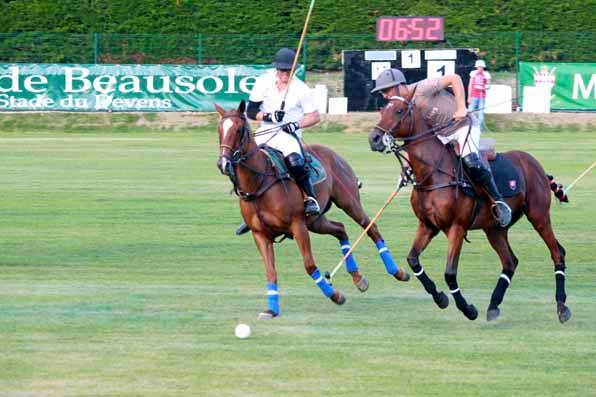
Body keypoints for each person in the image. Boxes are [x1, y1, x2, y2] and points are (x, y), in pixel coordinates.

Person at [370, 68, 511, 227]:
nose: (384, 95)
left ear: (398, 86)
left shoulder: (422, 88)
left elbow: (455, 78)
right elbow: (413, 143)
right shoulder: (404, 108)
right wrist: (406, 167)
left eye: (386, 90)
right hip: (442, 135)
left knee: (471, 161)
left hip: (463, 126)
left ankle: (498, 201)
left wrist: (461, 108)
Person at [235, 48, 322, 236]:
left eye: (288, 71)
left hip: (288, 136)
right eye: (281, 70)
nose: (284, 74)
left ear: (294, 70)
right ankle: (249, 213)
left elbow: (315, 117)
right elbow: (251, 112)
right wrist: (269, 115)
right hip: (264, 132)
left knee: (295, 162)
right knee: (242, 161)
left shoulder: (301, 89)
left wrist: (294, 124)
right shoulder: (263, 82)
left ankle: (309, 198)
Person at [467, 59, 491, 131]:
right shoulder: (473, 73)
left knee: (481, 113)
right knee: (470, 111)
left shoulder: (486, 74)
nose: (480, 68)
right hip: (474, 95)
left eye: (481, 67)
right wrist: (469, 96)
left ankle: (479, 129)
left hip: (482, 96)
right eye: (479, 67)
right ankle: (468, 126)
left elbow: (488, 85)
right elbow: (470, 85)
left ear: (483, 67)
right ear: (476, 67)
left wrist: (485, 87)